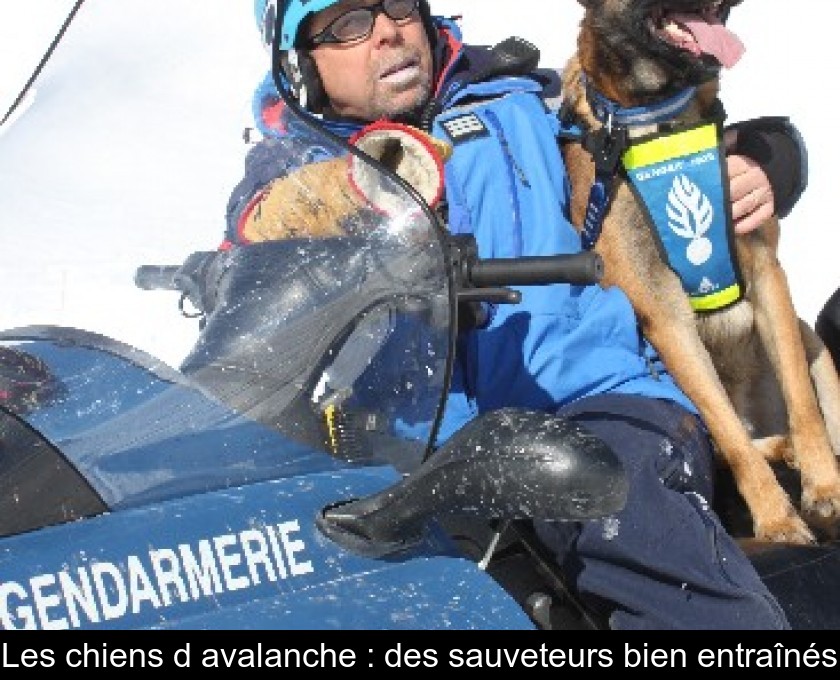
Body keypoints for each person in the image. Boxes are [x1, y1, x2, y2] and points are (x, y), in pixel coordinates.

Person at [217, 0, 810, 629]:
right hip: (410, 456)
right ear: (300, 66)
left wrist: (770, 157)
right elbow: (256, 230)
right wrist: (341, 194)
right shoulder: (292, 159)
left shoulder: (517, 100)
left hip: (597, 402)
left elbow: (655, 132)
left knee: (627, 516)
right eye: (346, 23)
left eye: (396, 7)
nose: (387, 31)